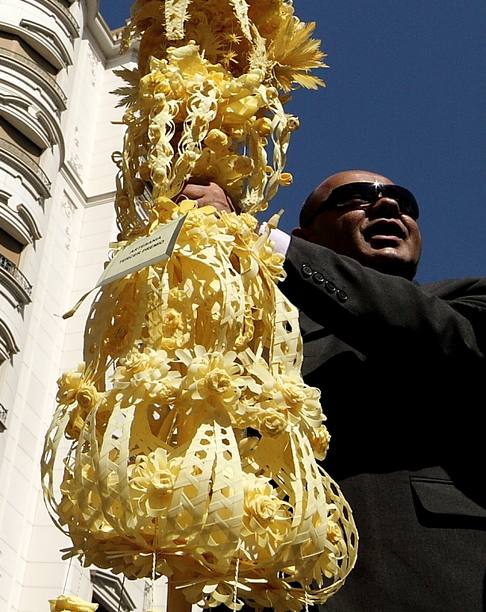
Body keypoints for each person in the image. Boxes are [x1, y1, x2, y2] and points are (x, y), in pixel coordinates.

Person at [181, 171, 485, 610]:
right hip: (269, 584)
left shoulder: (468, 300)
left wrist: (257, 238)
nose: (387, 206)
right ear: (310, 235)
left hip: (420, 572)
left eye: (403, 199)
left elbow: (429, 334)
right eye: (355, 198)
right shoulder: (261, 334)